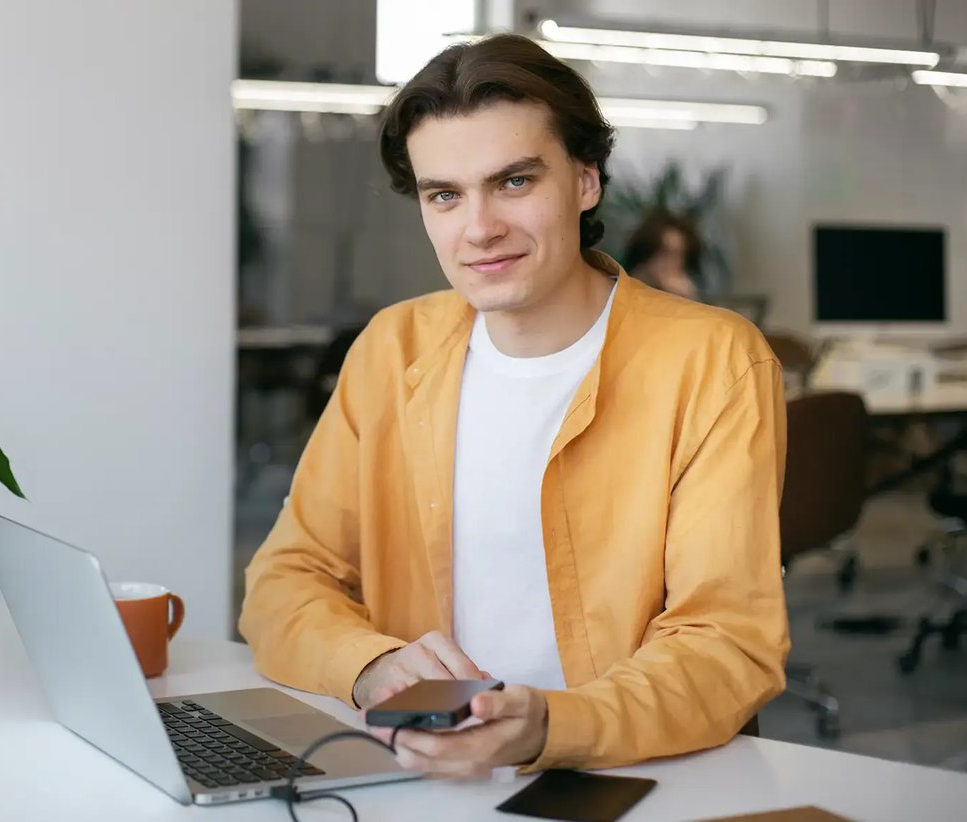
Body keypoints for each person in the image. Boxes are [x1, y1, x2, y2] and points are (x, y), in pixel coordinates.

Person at [238, 33, 788, 776]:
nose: (480, 229)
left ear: (586, 181)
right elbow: (284, 583)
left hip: (631, 772)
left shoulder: (713, 361)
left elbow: (727, 643)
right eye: (445, 195)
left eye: (515, 182)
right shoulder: (392, 349)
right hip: (428, 771)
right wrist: (372, 668)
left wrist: (549, 727)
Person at [619, 210, 704, 301]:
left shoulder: (681, 296)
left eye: (681, 255)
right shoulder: (620, 291)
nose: (674, 262)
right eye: (666, 253)